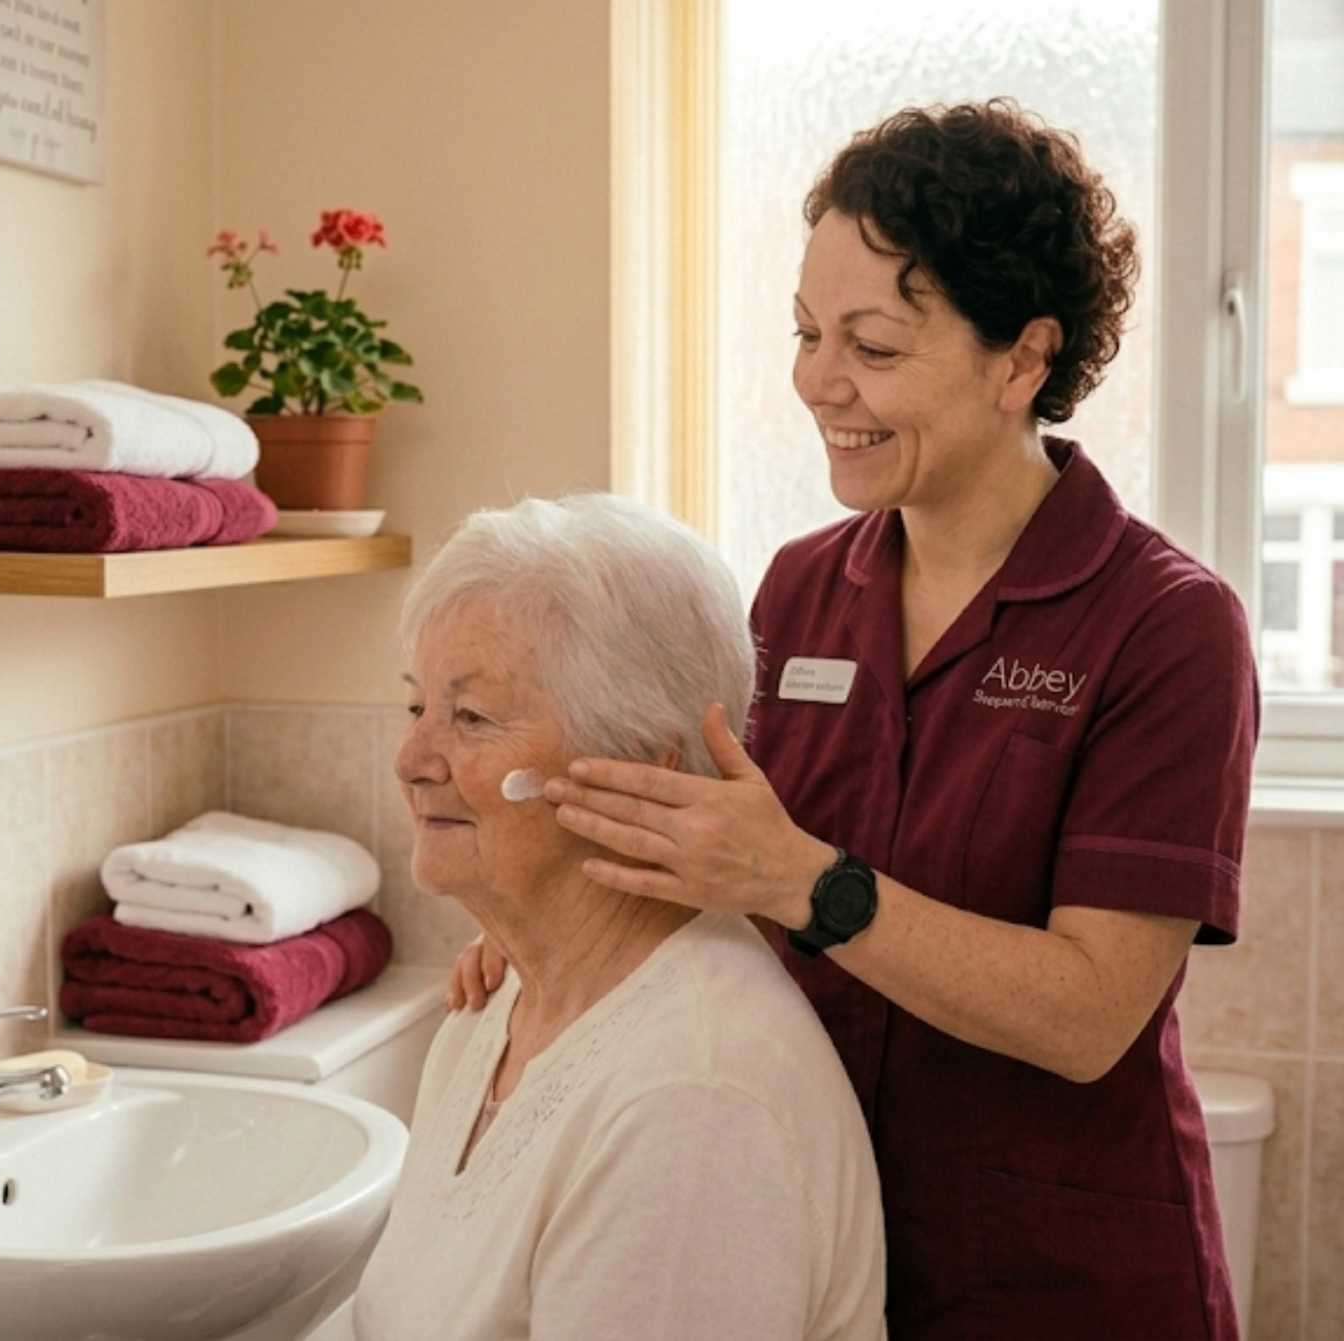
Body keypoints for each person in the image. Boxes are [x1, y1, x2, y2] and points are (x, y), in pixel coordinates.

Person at [454, 101, 1259, 1340]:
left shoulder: (1165, 628)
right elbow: (715, 857)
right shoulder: (797, 591)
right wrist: (546, 934)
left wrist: (813, 885)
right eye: (806, 333)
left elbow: (1091, 1014)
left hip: (1061, 1281)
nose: (819, 383)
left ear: (1022, 359)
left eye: (873, 347)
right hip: (822, 1237)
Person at [346, 494, 885, 1340]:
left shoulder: (692, 1104)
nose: (411, 760)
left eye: (473, 717)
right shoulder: (493, 1007)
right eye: (418, 707)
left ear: (642, 763)